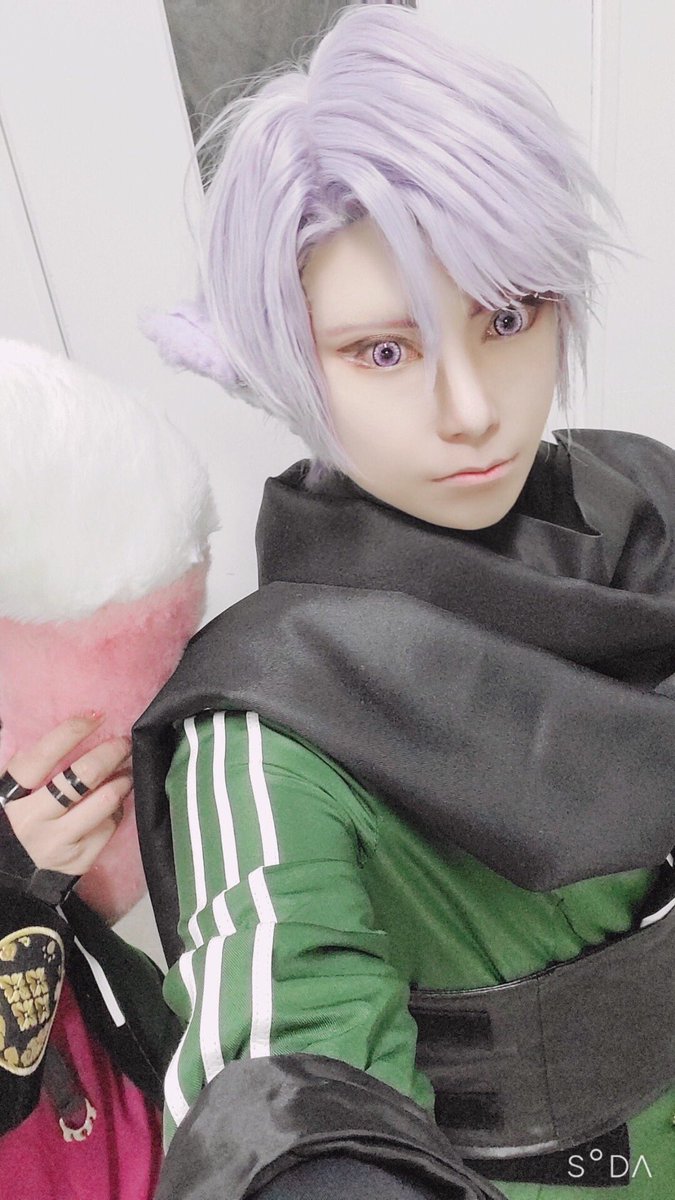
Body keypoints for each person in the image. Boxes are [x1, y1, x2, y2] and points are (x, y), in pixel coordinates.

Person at [135, 5, 675, 1198]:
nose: (471, 409)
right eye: (384, 351)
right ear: (294, 359)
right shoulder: (266, 725)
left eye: (507, 319)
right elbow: (277, 1072)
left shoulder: (645, 514)